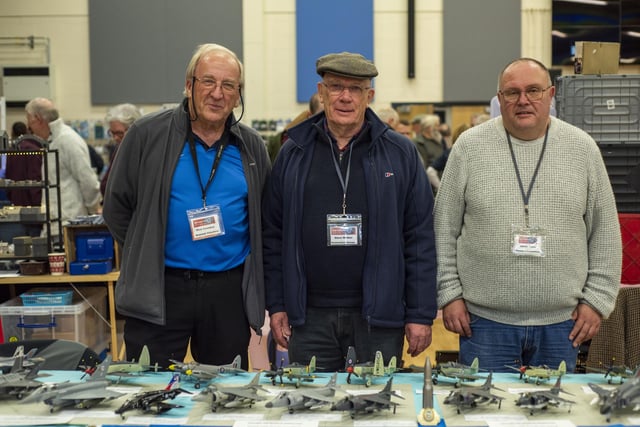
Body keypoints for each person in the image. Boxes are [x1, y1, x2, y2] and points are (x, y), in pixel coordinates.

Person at [434, 58, 622, 373]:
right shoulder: (468, 148)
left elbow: (605, 232)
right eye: (512, 92)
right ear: (499, 98)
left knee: (554, 417)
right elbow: (442, 228)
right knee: (485, 416)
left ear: (550, 95)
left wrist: (597, 301)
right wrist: (449, 294)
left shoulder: (582, 149)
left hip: (563, 322)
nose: (523, 100)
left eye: (533, 90)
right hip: (483, 323)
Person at [263, 51, 437, 372]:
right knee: (312, 409)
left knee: (375, 412)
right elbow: (273, 235)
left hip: (378, 317)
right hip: (309, 316)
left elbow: (419, 238)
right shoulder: (293, 152)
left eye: (355, 88)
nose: (345, 96)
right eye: (335, 87)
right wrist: (277, 304)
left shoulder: (400, 154)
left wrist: (420, 313)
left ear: (369, 96)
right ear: (321, 92)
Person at [103, 43, 270, 369]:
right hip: (162, 287)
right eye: (208, 81)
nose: (217, 93)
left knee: (226, 391)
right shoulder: (146, 135)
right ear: (189, 84)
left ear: (238, 95)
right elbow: (116, 207)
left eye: (228, 85)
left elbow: (264, 216)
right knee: (148, 386)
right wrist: (145, 249)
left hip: (228, 292)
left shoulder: (251, 147)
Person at [25, 98, 102, 239]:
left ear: (38, 119)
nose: (30, 127)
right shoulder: (53, 141)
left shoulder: (67, 140)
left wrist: (93, 211)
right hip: (56, 225)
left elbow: (88, 180)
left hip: (70, 226)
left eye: (30, 122)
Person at [100, 103, 142, 195]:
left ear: (134, 129)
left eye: (119, 133)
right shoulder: (119, 149)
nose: (115, 138)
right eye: (112, 133)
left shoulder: (143, 154)